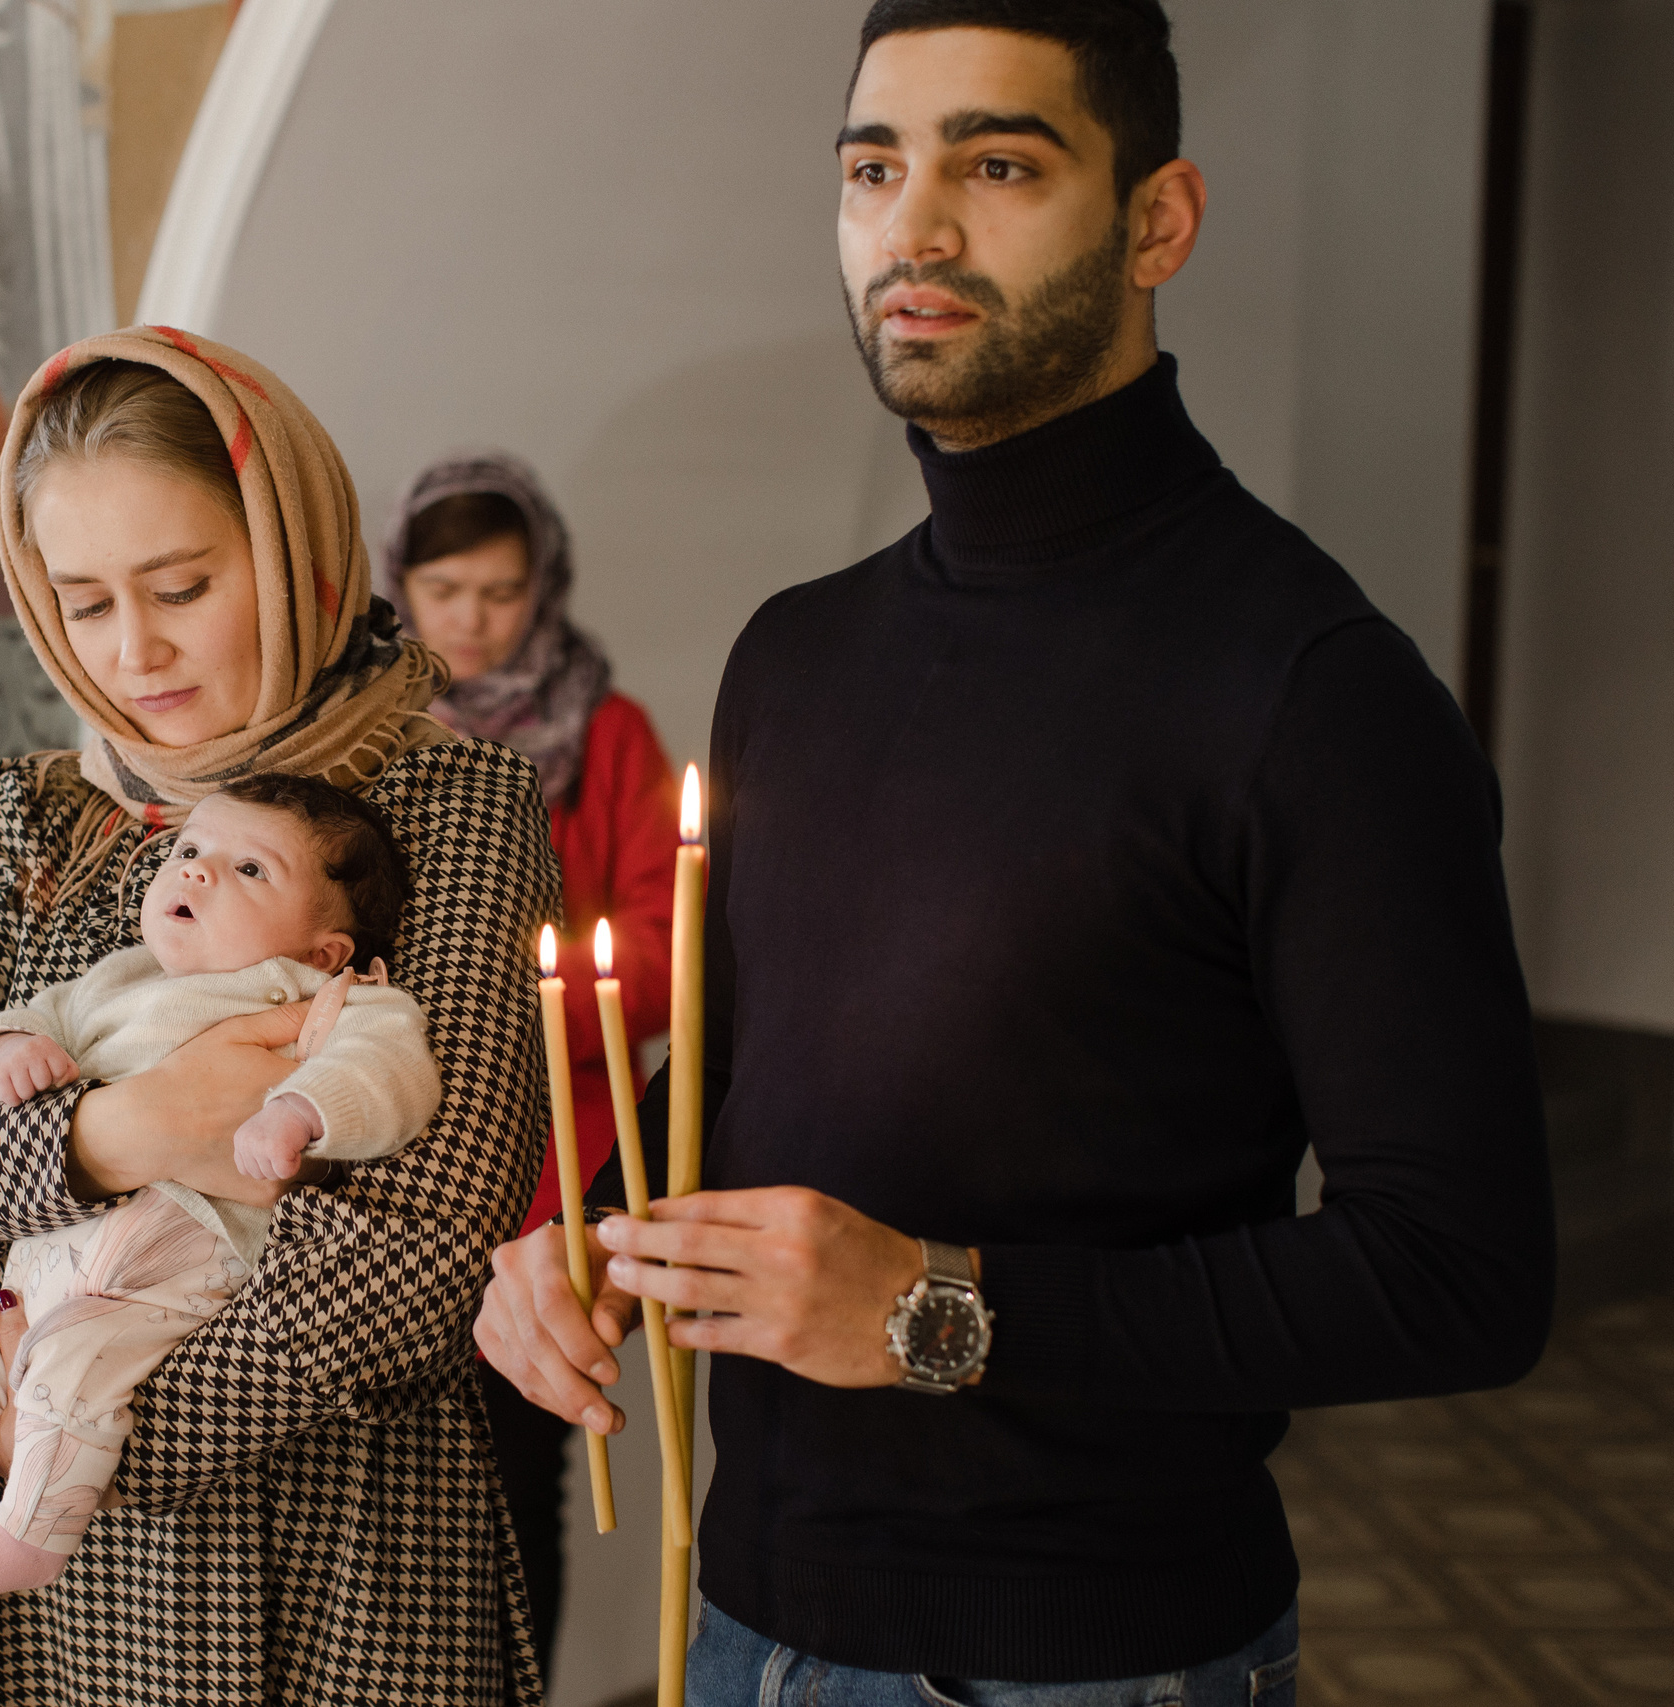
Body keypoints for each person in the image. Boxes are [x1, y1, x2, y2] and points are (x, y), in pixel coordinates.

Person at [476, 2, 1554, 1701]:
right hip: (743, 1610)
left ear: (1159, 220)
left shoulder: (1310, 690)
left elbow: (1461, 1277)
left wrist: (936, 1311)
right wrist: (590, 1241)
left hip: (1090, 1660)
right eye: (872, 166)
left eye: (998, 162)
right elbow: (749, 1093)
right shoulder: (797, 655)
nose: (912, 225)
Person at [0, 329, 558, 1704]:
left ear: (292, 552)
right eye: (83, 603)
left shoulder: (449, 808)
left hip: (330, 1558)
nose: (134, 649)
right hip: (23, 1592)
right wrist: (118, 1129)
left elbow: (414, 1261)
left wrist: (69, 1430)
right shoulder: (33, 816)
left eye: (181, 586)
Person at [0, 772, 443, 1638]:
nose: (200, 872)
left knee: (72, 1366)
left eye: (251, 869)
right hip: (38, 1274)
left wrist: (304, 1107)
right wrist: (4, 1050)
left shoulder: (318, 996)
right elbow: (16, 1028)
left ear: (325, 948)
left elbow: (395, 1072)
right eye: (190, 850)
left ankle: (25, 1536)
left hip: (168, 1265)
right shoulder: (113, 980)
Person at [382, 451, 678, 1676]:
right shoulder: (366, 730)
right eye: (443, 588)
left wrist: (490, 1000)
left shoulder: (606, 732)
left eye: (501, 592)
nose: (471, 619)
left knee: (516, 1486)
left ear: (542, 587)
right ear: (399, 584)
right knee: (385, 1499)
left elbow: (668, 948)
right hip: (381, 1169)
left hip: (555, 1166)